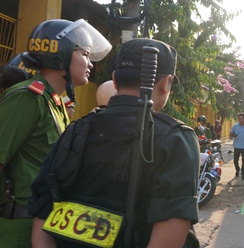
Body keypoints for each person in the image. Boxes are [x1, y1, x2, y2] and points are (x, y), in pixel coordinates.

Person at [29, 38, 200, 247]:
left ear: (114, 81)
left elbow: (43, 208)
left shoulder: (77, 129)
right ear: (165, 83)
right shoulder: (175, 137)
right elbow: (173, 224)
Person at [0, 19, 111, 247]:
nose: (90, 64)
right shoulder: (27, 97)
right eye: (85, 54)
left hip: (43, 226)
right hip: (17, 229)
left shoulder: (56, 102)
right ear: (62, 54)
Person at [230, 113, 244, 180]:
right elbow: (231, 133)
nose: (240, 120)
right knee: (235, 160)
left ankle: (243, 174)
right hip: (236, 146)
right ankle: (237, 169)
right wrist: (233, 135)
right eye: (239, 119)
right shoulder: (235, 126)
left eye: (241, 119)